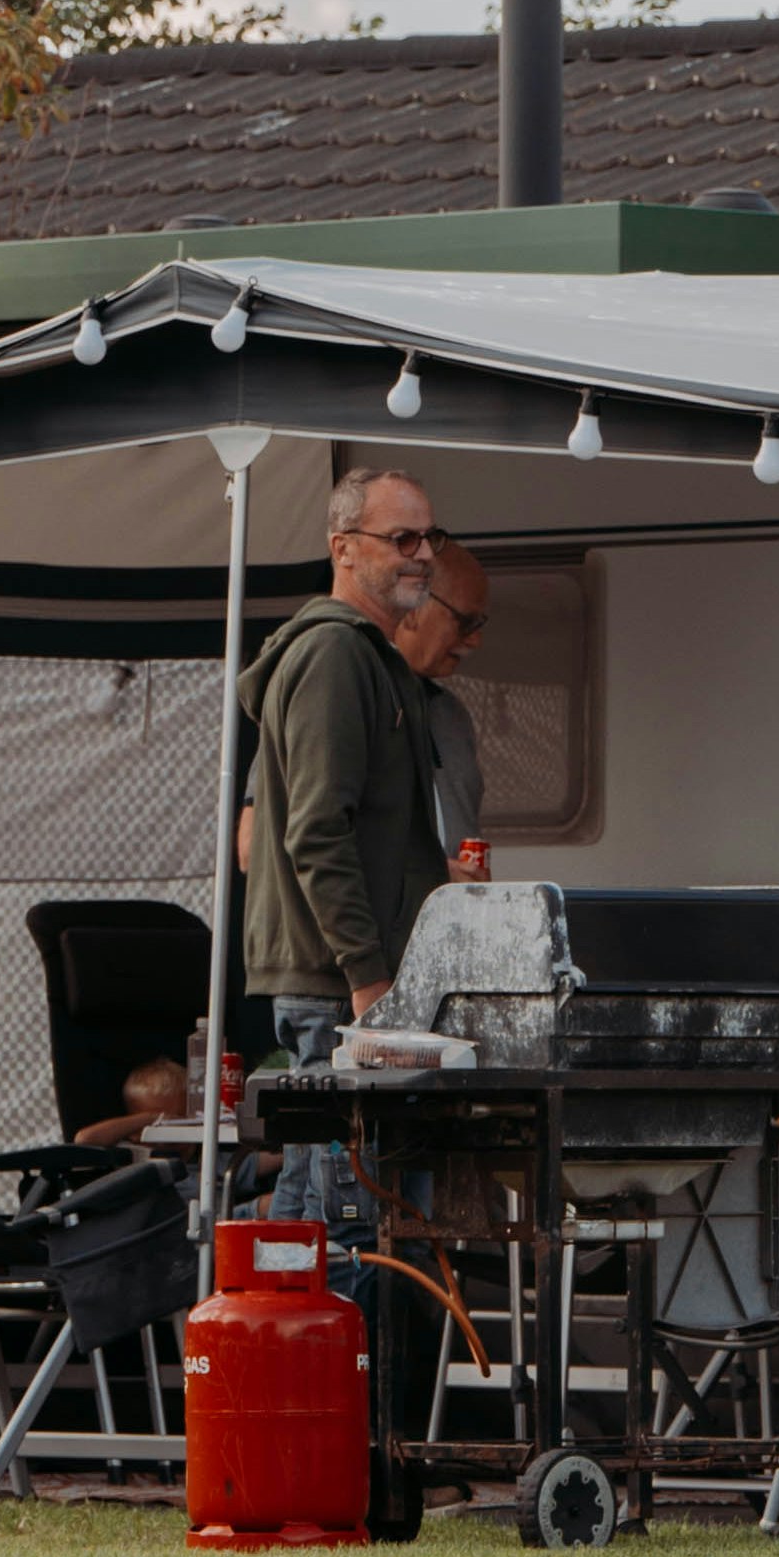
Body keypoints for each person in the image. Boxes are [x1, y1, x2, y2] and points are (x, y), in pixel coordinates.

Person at [237, 466, 452, 1238]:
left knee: (311, 1221)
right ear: (344, 549)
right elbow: (317, 830)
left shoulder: (366, 655)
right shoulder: (334, 654)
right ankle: (344, 1364)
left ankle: (285, 1359)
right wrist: (370, 978)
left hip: (342, 986)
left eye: (430, 536)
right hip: (341, 989)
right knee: (353, 1224)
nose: (422, 552)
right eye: (401, 537)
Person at [399, 536, 496, 883]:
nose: (474, 641)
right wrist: (430, 875)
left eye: (479, 626)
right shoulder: (342, 696)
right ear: (413, 608)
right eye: (465, 622)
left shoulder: (451, 715)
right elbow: (257, 845)